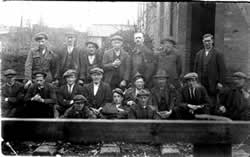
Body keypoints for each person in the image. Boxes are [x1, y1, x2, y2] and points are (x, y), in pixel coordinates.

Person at [193, 34, 226, 113]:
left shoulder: (218, 54)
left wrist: (220, 82)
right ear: (202, 42)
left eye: (209, 41)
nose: (207, 43)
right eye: (205, 41)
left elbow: (222, 69)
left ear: (212, 41)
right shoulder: (199, 54)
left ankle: (211, 117)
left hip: (213, 83)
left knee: (212, 101)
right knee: (201, 100)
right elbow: (195, 69)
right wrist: (195, 81)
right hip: (201, 82)